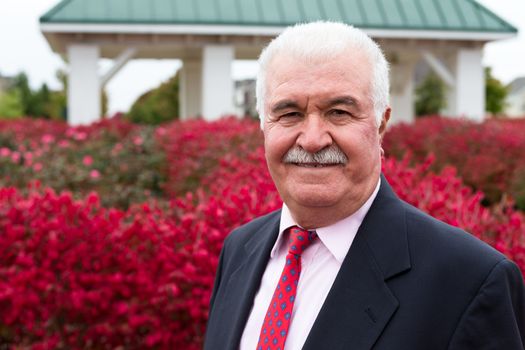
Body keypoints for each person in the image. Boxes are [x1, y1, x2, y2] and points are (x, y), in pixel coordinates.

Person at [203, 21, 525, 350]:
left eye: (339, 112)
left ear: (381, 123)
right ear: (263, 126)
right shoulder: (239, 250)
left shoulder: (470, 280)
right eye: (289, 114)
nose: (313, 139)